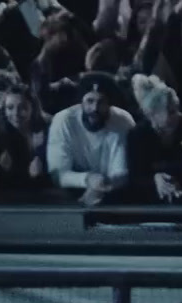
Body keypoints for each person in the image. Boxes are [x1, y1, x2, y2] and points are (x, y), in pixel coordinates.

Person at [46, 71, 134, 205]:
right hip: (72, 190)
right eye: (90, 101)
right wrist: (88, 179)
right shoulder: (63, 120)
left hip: (110, 191)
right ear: (81, 101)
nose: (95, 108)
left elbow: (121, 173)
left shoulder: (123, 121)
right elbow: (58, 174)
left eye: (101, 102)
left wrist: (100, 186)